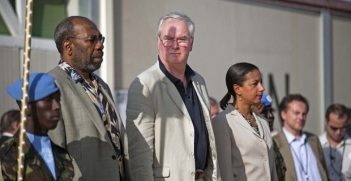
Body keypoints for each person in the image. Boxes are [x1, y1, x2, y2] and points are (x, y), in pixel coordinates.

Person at [126, 12, 219, 181]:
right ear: (158, 42)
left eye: (182, 39)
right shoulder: (145, 84)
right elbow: (139, 155)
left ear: (191, 44)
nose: (174, 45)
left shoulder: (199, 81)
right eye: (168, 38)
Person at [48, 16, 127, 181]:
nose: (100, 45)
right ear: (68, 47)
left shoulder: (101, 86)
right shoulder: (52, 85)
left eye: (101, 39)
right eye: (92, 40)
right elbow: (53, 152)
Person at [0, 73, 74, 180]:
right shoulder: (8, 153)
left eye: (58, 99)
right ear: (27, 107)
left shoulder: (61, 155)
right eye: (48, 100)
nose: (57, 106)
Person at [212, 62, 277, 181]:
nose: (262, 88)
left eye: (261, 82)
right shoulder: (222, 122)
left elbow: (271, 169)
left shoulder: (262, 121)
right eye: (255, 84)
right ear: (237, 89)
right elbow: (224, 173)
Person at [273, 94, 329, 181]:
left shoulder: (313, 140)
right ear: (283, 114)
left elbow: (324, 170)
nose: (301, 117)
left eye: (304, 114)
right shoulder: (275, 143)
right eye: (296, 113)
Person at [252, 93, 287, 180]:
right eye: (264, 112)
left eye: (271, 111)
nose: (271, 116)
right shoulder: (248, 143)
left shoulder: (271, 141)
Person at [319, 103, 351, 180]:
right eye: (334, 128)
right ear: (326, 122)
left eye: (343, 128)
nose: (338, 132)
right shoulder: (316, 145)